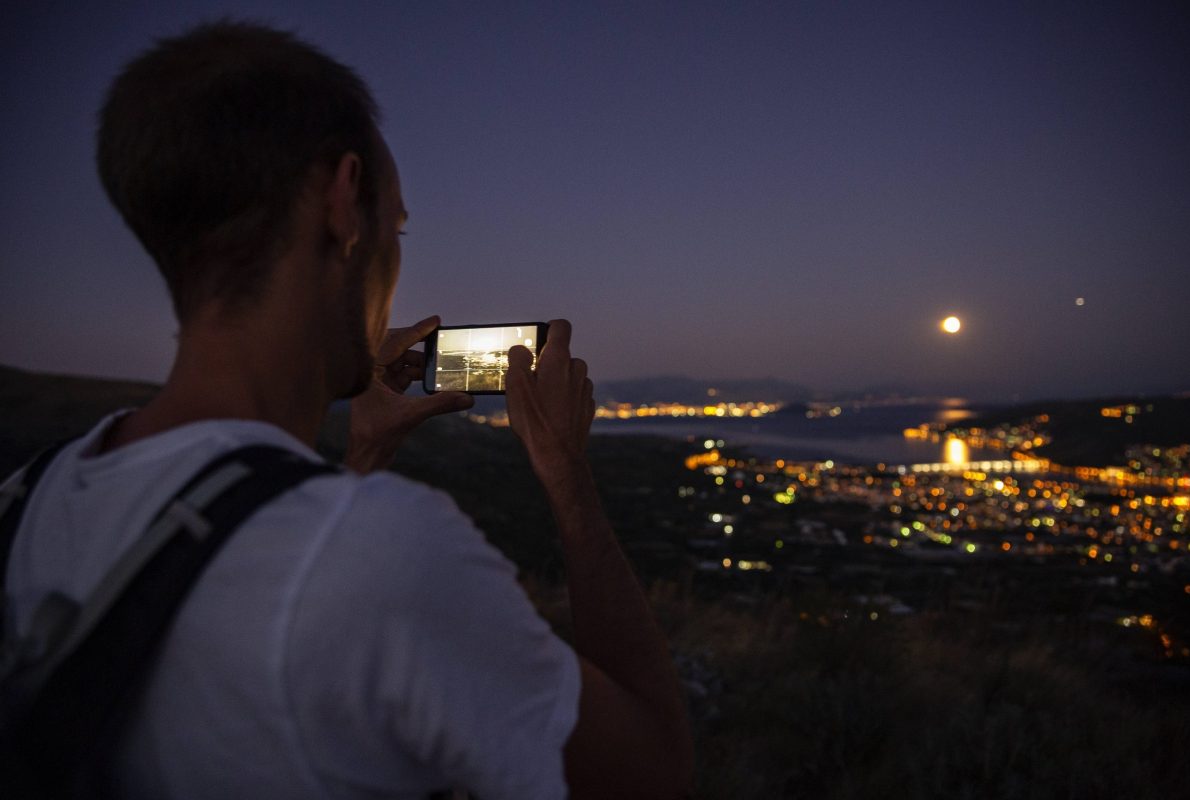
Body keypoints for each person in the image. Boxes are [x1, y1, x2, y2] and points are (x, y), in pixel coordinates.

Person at [2, 21, 692, 799]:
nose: (394, 258)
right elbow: (653, 773)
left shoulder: (28, 499)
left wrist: (360, 461)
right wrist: (569, 478)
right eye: (394, 226)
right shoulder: (384, 558)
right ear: (341, 203)